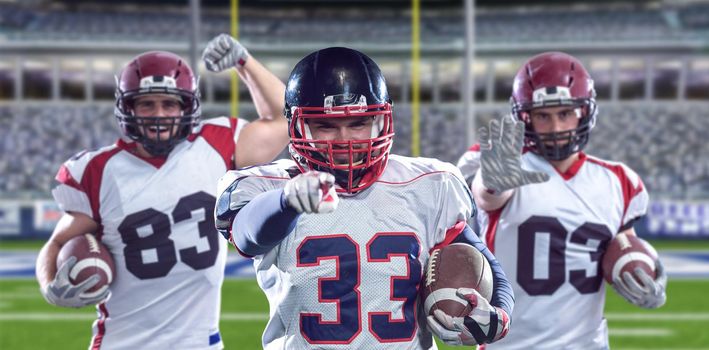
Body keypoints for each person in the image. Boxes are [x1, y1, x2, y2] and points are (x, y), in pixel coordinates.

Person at [214, 47, 513, 349]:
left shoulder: (427, 184)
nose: (344, 139)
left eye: (358, 123)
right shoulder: (270, 188)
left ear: (381, 120)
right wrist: (286, 202)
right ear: (298, 126)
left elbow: (479, 258)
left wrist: (499, 312)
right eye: (326, 126)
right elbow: (247, 236)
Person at [35, 34, 289, 349]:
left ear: (188, 106)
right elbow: (58, 241)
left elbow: (284, 118)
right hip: (122, 343)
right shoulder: (97, 170)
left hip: (199, 343)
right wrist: (49, 283)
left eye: (169, 103)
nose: (158, 114)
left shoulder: (218, 144)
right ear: (127, 107)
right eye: (147, 103)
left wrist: (244, 62)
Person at [457, 51, 667, 349]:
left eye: (564, 114)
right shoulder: (503, 161)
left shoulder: (619, 181)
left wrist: (649, 271)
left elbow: (624, 245)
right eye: (543, 116)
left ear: (584, 112)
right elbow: (488, 195)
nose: (555, 128)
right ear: (524, 117)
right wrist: (491, 182)